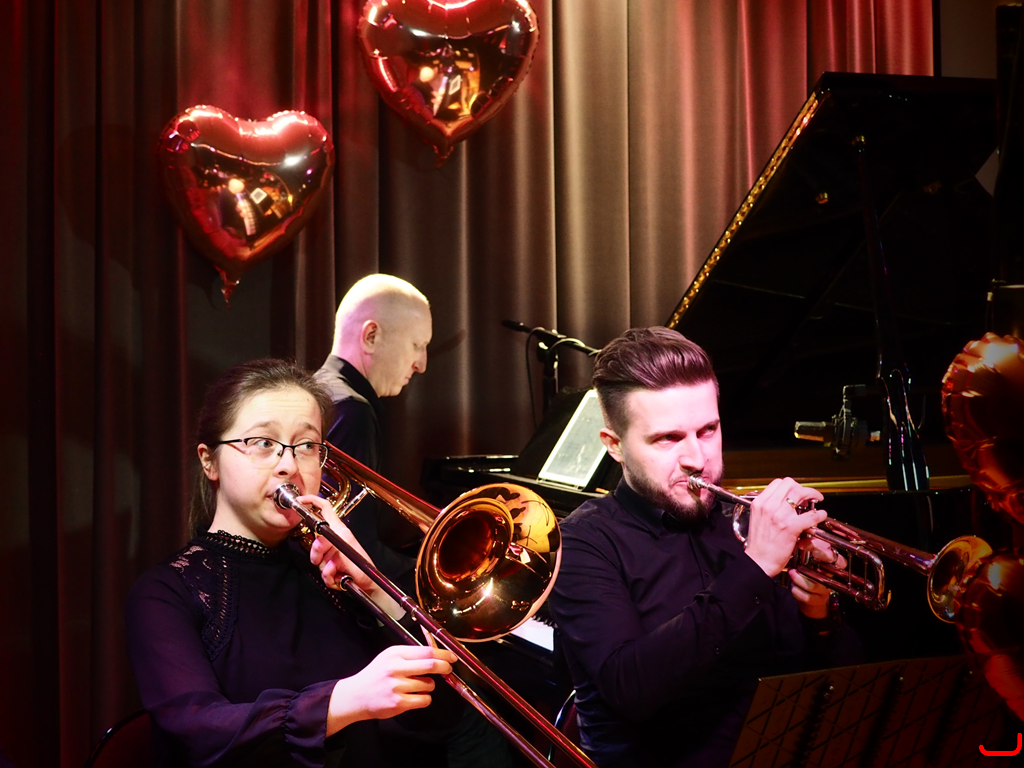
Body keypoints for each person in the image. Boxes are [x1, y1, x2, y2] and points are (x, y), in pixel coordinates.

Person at [548, 327, 863, 768]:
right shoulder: (583, 543)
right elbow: (632, 688)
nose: (697, 458)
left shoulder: (748, 522)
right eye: (668, 438)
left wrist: (820, 614)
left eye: (708, 430)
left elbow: (836, 689)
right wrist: (755, 568)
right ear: (614, 446)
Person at [125, 359, 457, 767]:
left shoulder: (332, 574)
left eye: (307, 446)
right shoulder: (165, 592)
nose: (290, 466)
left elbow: (440, 717)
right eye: (263, 443)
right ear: (209, 461)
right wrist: (343, 701)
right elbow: (199, 732)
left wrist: (375, 590)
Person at [315, 274, 432, 588]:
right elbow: (355, 552)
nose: (421, 364)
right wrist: (430, 577)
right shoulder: (351, 409)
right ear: (371, 336)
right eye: (417, 345)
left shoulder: (319, 390)